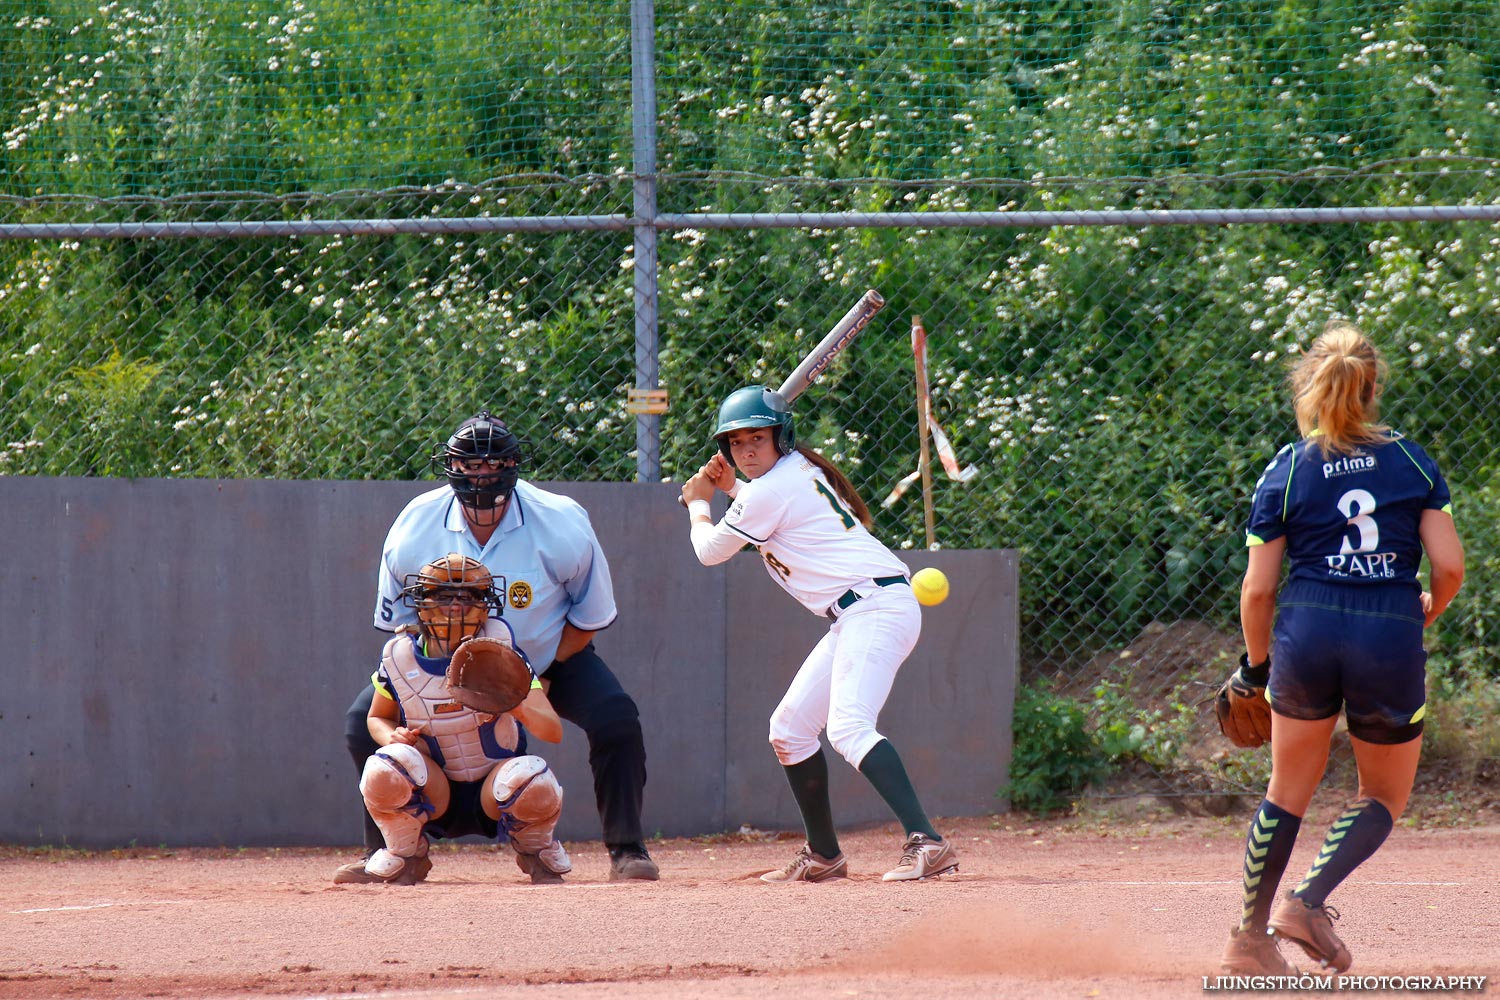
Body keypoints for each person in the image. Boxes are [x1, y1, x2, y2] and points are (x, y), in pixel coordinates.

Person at [1219, 322, 1464, 973]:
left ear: (1309, 388)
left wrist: (1255, 668)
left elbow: (1257, 591)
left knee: (1286, 790)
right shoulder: (1410, 460)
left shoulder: (1289, 468)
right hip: (1387, 627)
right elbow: (1448, 567)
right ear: (1374, 386)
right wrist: (1426, 614)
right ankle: (1307, 901)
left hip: (1308, 628)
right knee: (1381, 795)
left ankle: (1249, 940)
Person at [343, 411, 658, 881]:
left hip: (547, 655)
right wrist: (427, 687)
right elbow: (404, 627)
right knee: (359, 723)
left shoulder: (560, 521)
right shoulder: (415, 525)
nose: (481, 475)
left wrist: (538, 679)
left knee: (616, 718)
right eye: (469, 466)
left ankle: (627, 849)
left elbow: (587, 618)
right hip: (443, 664)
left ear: (513, 467)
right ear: (451, 468)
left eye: (492, 464)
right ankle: (393, 852)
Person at [679, 385, 958, 883]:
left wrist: (700, 505)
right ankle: (824, 855)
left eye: (757, 439)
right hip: (860, 610)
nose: (746, 451)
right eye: (736, 442)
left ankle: (927, 842)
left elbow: (710, 551)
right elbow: (775, 513)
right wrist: (730, 491)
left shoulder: (771, 488)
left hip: (873, 606)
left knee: (849, 728)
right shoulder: (784, 480)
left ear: (780, 439)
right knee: (788, 730)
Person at [334, 554, 573, 885]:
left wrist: (514, 704)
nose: (456, 606)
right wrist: (392, 735)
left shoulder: (503, 654)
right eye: (444, 595)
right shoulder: (400, 658)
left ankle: (535, 851)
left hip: (494, 786)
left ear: (486, 604)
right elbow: (376, 718)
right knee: (385, 768)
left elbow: (553, 730)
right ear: (422, 602)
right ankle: (407, 854)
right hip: (434, 790)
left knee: (533, 778)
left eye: (469, 596)